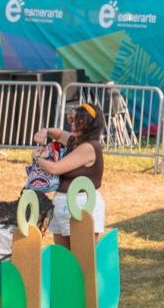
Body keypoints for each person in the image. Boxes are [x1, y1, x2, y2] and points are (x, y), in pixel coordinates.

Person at [28, 102, 107, 243]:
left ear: (89, 125)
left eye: (78, 122)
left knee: (81, 259)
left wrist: (36, 159)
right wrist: (45, 131)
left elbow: (55, 168)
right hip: (62, 203)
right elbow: (58, 134)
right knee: (63, 259)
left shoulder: (89, 147)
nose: (72, 125)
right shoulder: (74, 140)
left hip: (81, 204)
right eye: (71, 119)